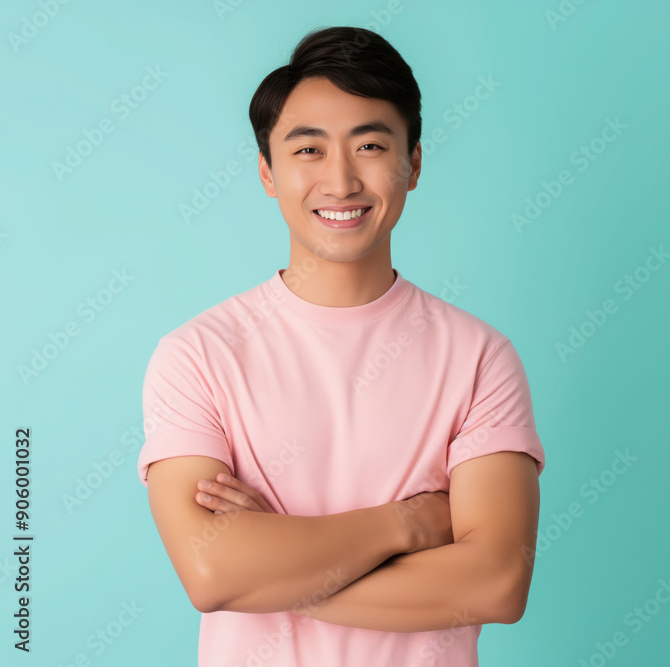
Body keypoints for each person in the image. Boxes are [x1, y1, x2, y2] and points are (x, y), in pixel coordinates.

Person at [136, 26, 545, 666]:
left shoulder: (479, 357)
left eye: (371, 144)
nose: (342, 179)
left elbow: (496, 583)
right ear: (268, 172)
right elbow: (213, 575)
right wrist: (408, 526)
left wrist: (274, 565)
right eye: (308, 150)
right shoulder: (198, 356)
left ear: (413, 163)